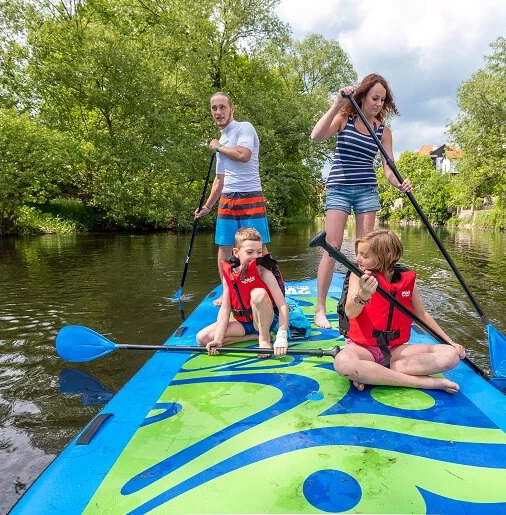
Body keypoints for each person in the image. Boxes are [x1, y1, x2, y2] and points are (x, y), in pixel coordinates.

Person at [310, 73, 412, 329]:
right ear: (363, 96)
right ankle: (320, 309)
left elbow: (388, 168)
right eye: (375, 98)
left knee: (368, 253)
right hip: (339, 187)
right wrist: (336, 103)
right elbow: (316, 136)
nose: (378, 103)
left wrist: (398, 182)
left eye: (383, 100)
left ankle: (363, 305)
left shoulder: (383, 130)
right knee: (332, 246)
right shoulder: (345, 118)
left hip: (367, 189)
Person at [333, 229, 465, 393]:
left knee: (451, 356)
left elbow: (421, 315)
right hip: (362, 349)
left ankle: (373, 374)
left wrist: (449, 342)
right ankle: (425, 383)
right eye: (358, 253)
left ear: (385, 256)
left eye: (364, 256)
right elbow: (351, 312)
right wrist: (364, 294)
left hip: (395, 350)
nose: (357, 259)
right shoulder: (358, 275)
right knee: (343, 363)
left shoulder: (405, 278)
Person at [196, 92, 271, 305]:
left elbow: (243, 155)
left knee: (260, 248)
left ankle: (271, 289)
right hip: (228, 199)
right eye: (214, 108)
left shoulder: (243, 128)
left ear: (231, 109)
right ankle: (228, 293)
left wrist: (217, 147)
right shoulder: (221, 140)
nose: (218, 112)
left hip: (250, 196)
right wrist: (208, 206)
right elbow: (219, 179)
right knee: (224, 248)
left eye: (222, 107)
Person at [196, 227, 289, 358]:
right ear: (236, 252)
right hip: (243, 323)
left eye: (259, 252)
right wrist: (218, 339)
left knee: (258, 293)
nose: (255, 257)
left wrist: (282, 336)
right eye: (249, 252)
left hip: (264, 320)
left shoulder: (264, 272)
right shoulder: (230, 274)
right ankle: (253, 336)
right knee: (202, 338)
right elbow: (225, 309)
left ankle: (264, 339)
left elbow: (283, 306)